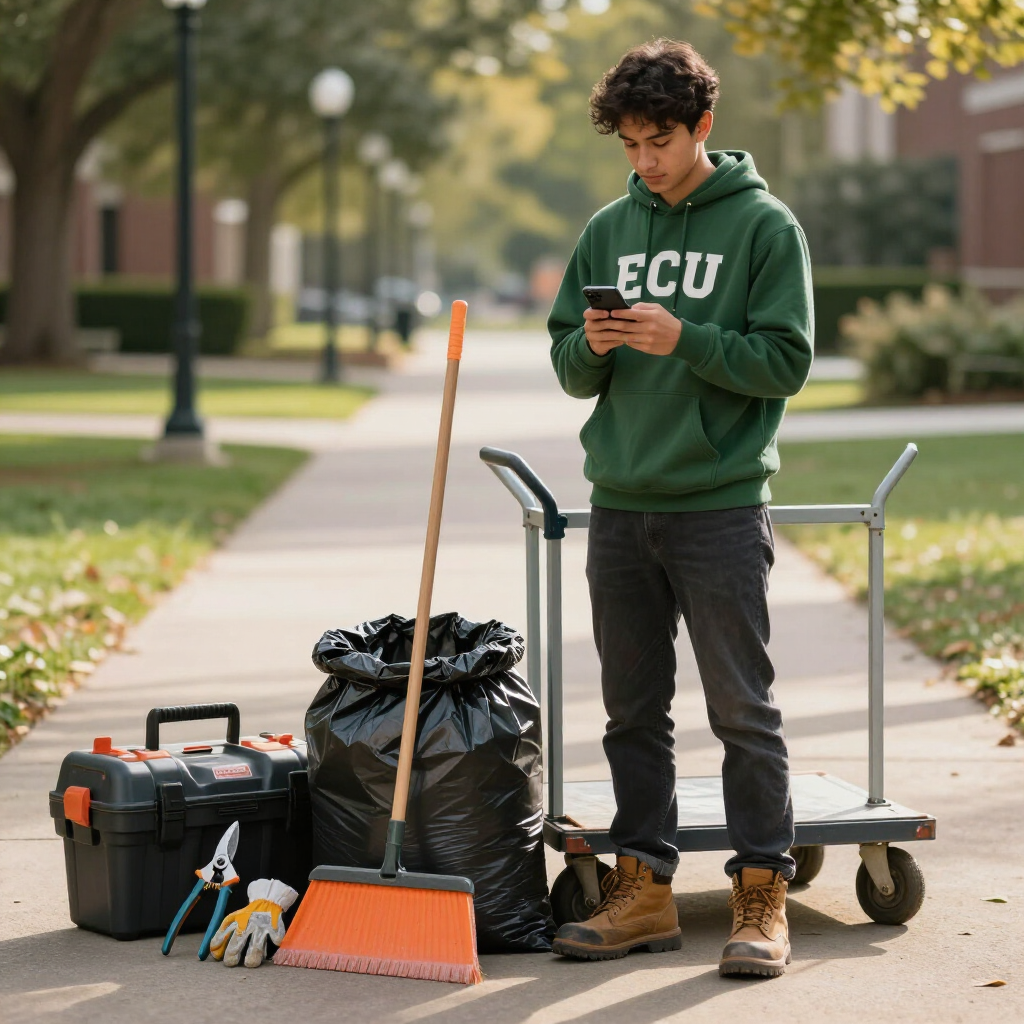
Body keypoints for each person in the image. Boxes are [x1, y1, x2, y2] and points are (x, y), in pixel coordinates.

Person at [547, 38, 813, 978]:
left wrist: (683, 337)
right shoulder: (606, 230)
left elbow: (785, 361)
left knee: (743, 709)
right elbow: (570, 369)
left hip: (721, 505)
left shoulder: (766, 227)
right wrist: (598, 342)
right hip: (621, 502)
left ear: (703, 125)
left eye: (659, 140)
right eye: (628, 145)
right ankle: (644, 889)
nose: (644, 160)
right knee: (631, 711)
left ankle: (761, 893)